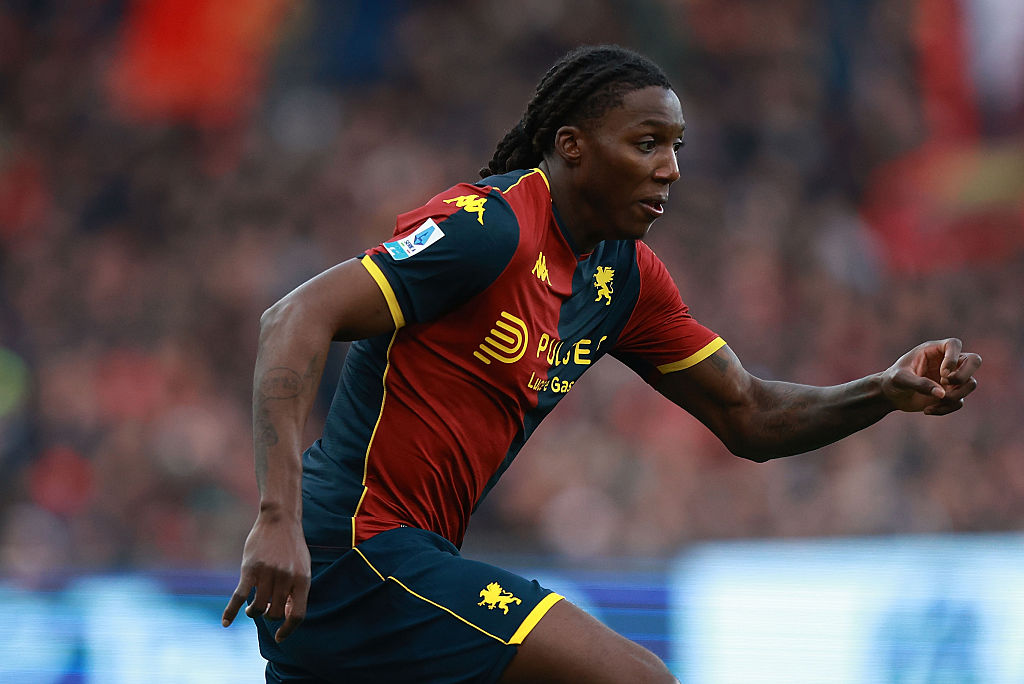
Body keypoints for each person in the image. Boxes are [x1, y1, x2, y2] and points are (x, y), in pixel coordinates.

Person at [221, 45, 981, 683]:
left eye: (677, 147)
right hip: (351, 551)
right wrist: (277, 519)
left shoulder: (625, 279)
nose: (670, 168)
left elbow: (748, 414)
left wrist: (883, 390)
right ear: (573, 145)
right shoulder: (490, 228)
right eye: (647, 143)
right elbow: (293, 317)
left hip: (401, 566)